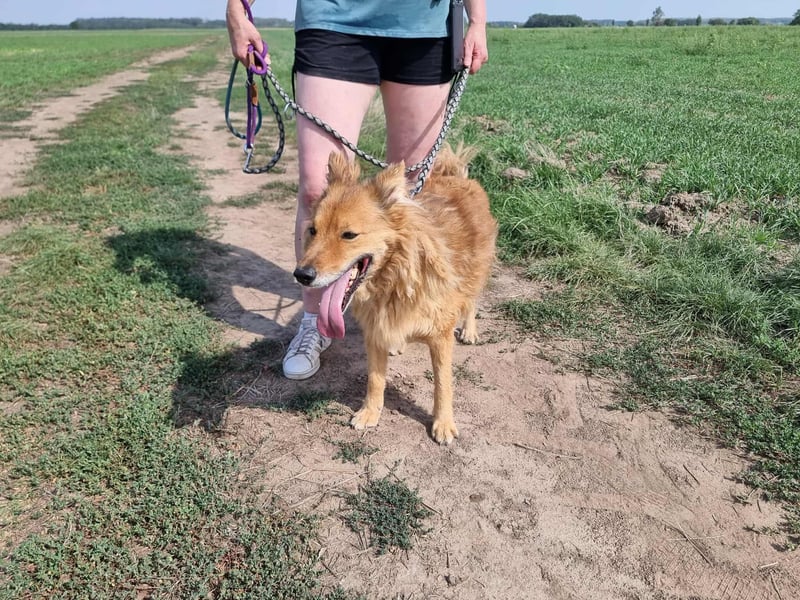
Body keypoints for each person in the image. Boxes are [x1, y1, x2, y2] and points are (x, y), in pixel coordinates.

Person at [226, 0, 489, 380]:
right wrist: (237, 7)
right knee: (318, 187)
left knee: (408, 191)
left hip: (422, 28)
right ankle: (315, 322)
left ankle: (394, 311)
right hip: (333, 21)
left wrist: (477, 18)